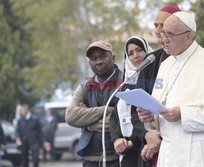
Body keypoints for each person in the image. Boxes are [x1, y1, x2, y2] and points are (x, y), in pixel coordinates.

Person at [137, 11, 204, 166]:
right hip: (170, 153)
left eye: (170, 35)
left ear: (188, 36)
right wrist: (150, 117)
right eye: (163, 34)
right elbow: (160, 108)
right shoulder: (165, 65)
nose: (164, 40)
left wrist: (182, 114)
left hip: (202, 154)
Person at [130, 4, 181, 167]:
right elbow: (135, 110)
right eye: (156, 25)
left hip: (181, 144)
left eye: (163, 24)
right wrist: (148, 135)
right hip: (151, 148)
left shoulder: (194, 60)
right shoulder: (150, 61)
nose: (158, 30)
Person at [65, 41, 122, 167]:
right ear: (89, 63)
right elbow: (70, 116)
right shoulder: (84, 87)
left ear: (113, 58)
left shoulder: (125, 83)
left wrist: (87, 121)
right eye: (93, 59)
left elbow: (123, 121)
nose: (98, 62)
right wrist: (105, 111)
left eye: (103, 56)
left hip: (117, 157)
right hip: (90, 158)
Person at [109, 36, 153, 167]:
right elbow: (114, 115)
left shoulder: (155, 79)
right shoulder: (125, 82)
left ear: (147, 51)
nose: (136, 56)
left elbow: (149, 114)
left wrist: (132, 141)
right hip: (126, 152)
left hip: (146, 148)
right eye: (131, 53)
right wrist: (117, 139)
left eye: (140, 50)